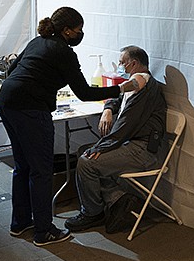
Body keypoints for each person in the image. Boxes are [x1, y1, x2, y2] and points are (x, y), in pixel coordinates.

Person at [0, 7, 140, 246]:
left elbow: (12, 70)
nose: (80, 34)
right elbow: (84, 92)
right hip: (31, 110)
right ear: (66, 31)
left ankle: (20, 223)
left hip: (7, 101)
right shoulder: (63, 51)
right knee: (41, 170)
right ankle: (44, 231)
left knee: (22, 165)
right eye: (79, 30)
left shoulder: (38, 41)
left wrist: (43, 83)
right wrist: (122, 88)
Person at [64, 45, 167, 232]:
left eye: (121, 62)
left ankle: (92, 213)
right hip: (132, 142)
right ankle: (117, 197)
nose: (119, 66)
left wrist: (100, 147)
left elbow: (125, 126)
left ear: (133, 64)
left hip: (143, 150)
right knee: (83, 151)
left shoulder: (142, 86)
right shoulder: (133, 84)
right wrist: (108, 109)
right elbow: (118, 97)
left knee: (87, 162)